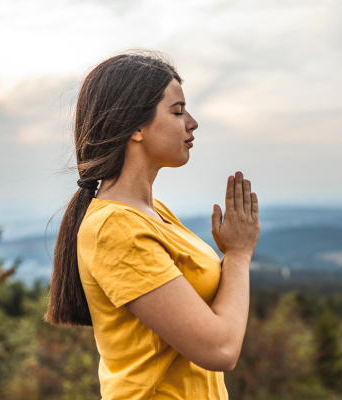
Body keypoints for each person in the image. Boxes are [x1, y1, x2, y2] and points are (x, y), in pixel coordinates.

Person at [44, 50, 260, 399]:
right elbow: (219, 349)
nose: (192, 122)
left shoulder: (153, 212)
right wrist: (238, 255)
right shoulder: (115, 228)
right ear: (136, 128)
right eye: (177, 111)